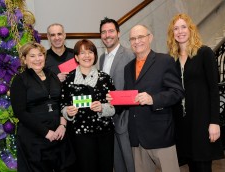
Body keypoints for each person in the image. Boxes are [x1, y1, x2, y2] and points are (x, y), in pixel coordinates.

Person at [167, 13, 224, 172]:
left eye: (183, 27)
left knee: (203, 165)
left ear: (191, 29)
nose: (180, 31)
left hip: (202, 121)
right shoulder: (172, 59)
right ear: (172, 33)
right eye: (176, 28)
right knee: (191, 165)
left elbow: (214, 89)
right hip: (183, 123)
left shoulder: (204, 53)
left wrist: (214, 122)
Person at [122, 25, 184, 172]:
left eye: (141, 37)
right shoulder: (128, 68)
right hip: (137, 138)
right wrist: (113, 100)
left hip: (160, 134)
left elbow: (177, 92)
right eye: (133, 38)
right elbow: (129, 97)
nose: (137, 41)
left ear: (150, 38)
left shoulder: (165, 60)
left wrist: (153, 99)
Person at [10, 42, 74, 172]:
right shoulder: (19, 80)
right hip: (34, 140)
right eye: (32, 56)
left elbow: (63, 101)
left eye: (40, 55)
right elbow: (20, 112)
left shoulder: (53, 76)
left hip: (58, 136)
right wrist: (46, 132)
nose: (37, 59)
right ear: (24, 59)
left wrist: (63, 125)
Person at [61, 39, 116, 172]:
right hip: (80, 136)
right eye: (82, 53)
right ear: (76, 57)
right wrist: (68, 112)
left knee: (105, 167)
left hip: (104, 134)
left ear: (95, 55)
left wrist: (103, 108)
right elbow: (62, 105)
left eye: (90, 52)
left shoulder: (105, 78)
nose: (87, 56)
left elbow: (114, 106)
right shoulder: (68, 80)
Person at [99, 17, 135, 172]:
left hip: (125, 118)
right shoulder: (101, 58)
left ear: (118, 33)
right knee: (118, 163)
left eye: (111, 31)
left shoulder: (129, 55)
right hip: (108, 119)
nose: (107, 35)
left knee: (131, 162)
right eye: (104, 32)